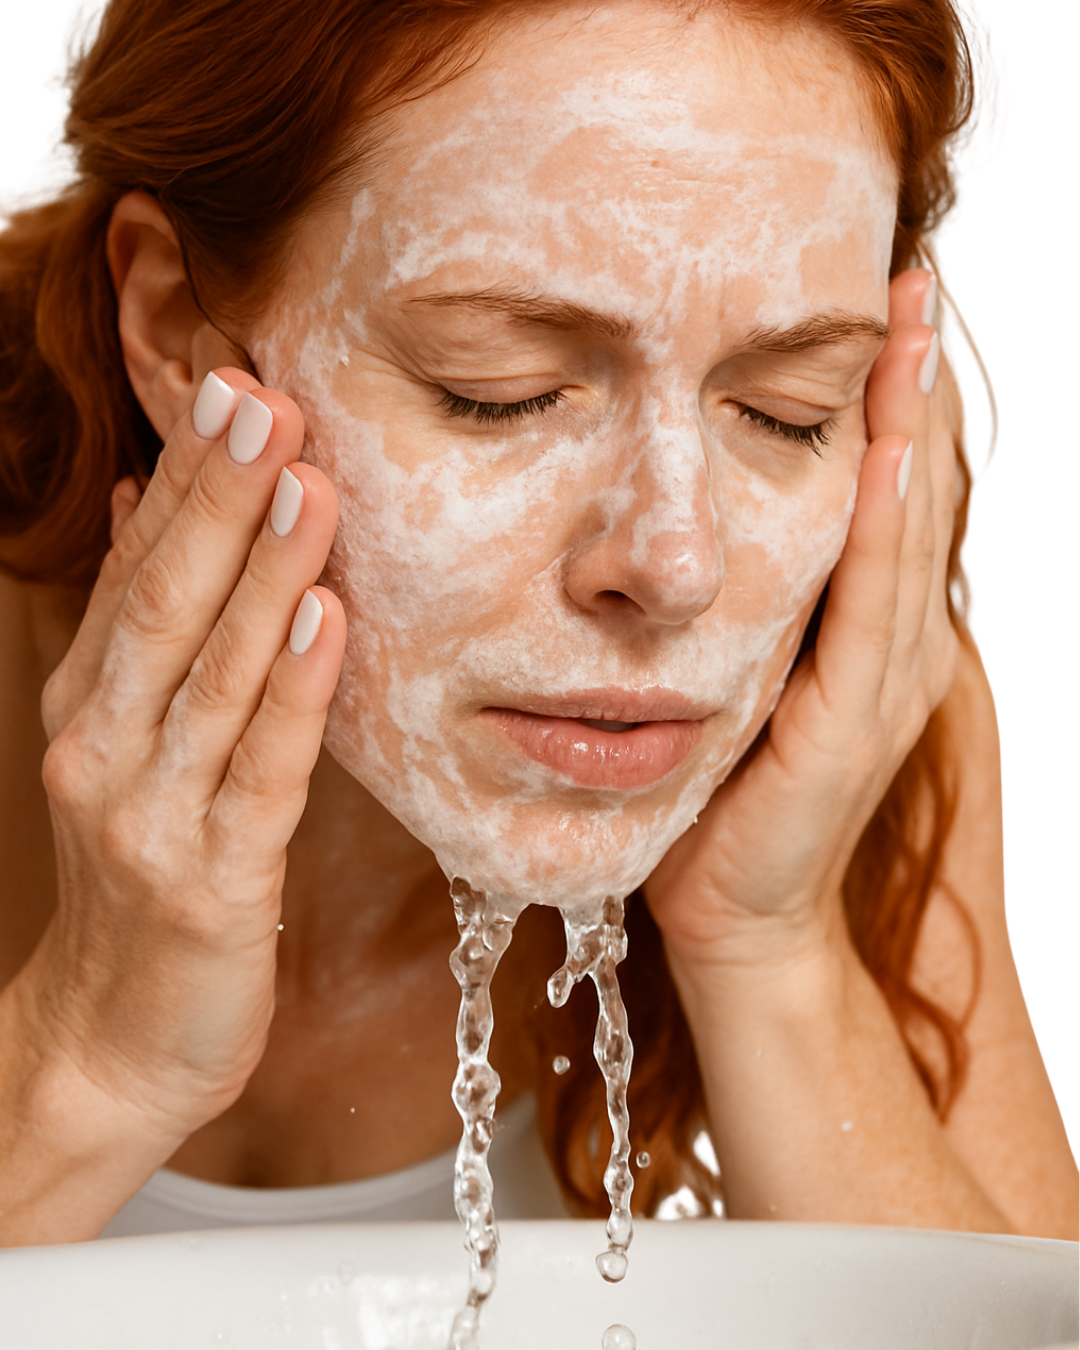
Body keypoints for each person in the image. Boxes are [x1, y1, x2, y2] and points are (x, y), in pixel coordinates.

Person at [0, 0, 1075, 1247]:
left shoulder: (853, 710)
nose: (676, 563)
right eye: (497, 390)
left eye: (789, 408)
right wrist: (81, 1060)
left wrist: (774, 945)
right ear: (177, 331)